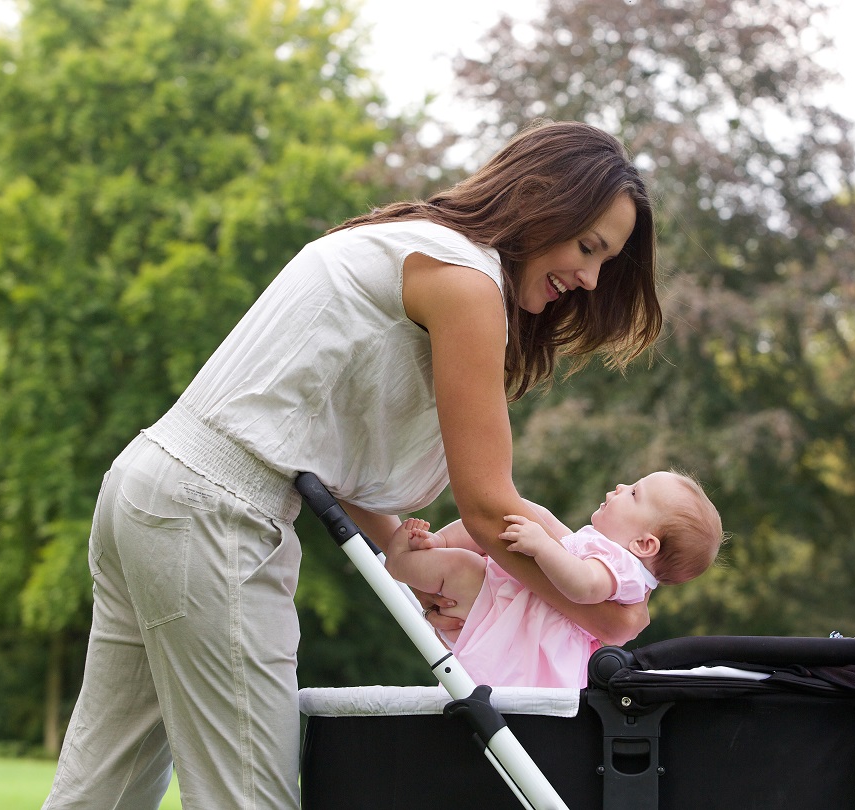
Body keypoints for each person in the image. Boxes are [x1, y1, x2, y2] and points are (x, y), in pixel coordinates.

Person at [43, 120, 662, 809]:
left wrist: (402, 546)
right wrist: (601, 614)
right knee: (250, 799)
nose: (589, 277)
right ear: (545, 198)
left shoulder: (409, 242)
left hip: (154, 487)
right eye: (588, 247)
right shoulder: (464, 282)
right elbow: (488, 510)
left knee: (100, 791)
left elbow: (311, 439)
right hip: (215, 517)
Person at [385, 470, 723, 688]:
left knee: (461, 565)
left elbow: (583, 586)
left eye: (634, 493)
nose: (620, 486)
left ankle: (401, 563)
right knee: (501, 527)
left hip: (527, 629)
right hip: (518, 609)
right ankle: (435, 545)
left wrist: (544, 547)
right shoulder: (611, 554)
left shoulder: (624, 568)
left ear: (644, 544)